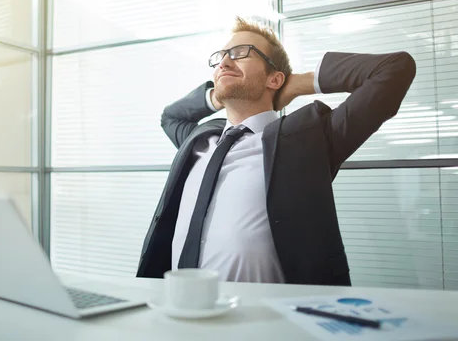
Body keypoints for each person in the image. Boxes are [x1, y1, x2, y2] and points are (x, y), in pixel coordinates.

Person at [136, 17, 416, 286]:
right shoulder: (199, 141)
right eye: (221, 56)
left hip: (268, 322)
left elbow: (393, 69)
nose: (224, 61)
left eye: (240, 53)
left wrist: (298, 84)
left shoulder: (307, 140)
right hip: (181, 314)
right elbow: (170, 117)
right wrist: (220, 92)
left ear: (274, 78)